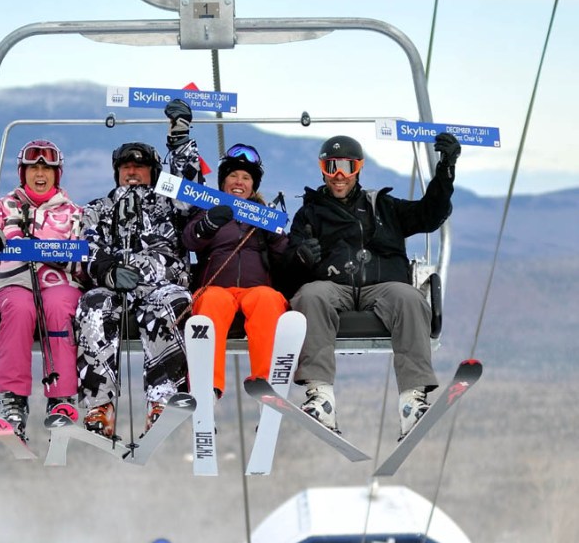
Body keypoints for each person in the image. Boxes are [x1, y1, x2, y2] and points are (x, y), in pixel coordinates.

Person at [278, 132, 461, 438]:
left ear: (358, 168)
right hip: (333, 287)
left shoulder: (384, 207)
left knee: (411, 298)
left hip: (383, 286)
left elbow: (430, 215)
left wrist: (446, 168)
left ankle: (412, 402)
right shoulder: (309, 214)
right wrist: (301, 257)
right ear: (322, 169)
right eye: (331, 166)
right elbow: (286, 275)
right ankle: (320, 396)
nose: (339, 176)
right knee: (310, 295)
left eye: (346, 167)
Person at [75, 99, 202, 436]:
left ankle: (162, 401)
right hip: (115, 285)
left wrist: (180, 139)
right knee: (91, 305)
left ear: (154, 172)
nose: (132, 172)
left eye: (140, 167)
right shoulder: (98, 208)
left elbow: (191, 191)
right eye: (125, 167)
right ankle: (99, 406)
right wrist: (106, 271)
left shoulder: (169, 203)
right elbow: (83, 251)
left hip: (160, 284)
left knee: (170, 302)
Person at [0, 139, 84, 441]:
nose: (39, 174)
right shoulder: (8, 206)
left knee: (58, 308)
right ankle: (14, 401)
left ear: (57, 174)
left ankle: (60, 398)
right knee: (20, 308)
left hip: (58, 284)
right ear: (23, 173)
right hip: (13, 283)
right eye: (33, 168)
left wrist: (54, 254)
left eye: (47, 168)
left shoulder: (73, 213)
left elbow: (84, 258)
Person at [183, 144, 289, 397]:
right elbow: (189, 240)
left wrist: (275, 237)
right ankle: (207, 385)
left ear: (254, 185)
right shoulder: (208, 209)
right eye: (233, 176)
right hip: (218, 287)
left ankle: (266, 381)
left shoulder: (266, 216)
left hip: (255, 289)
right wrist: (209, 223)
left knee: (268, 299)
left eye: (246, 177)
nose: (239, 182)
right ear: (223, 181)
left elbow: (285, 256)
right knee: (211, 300)